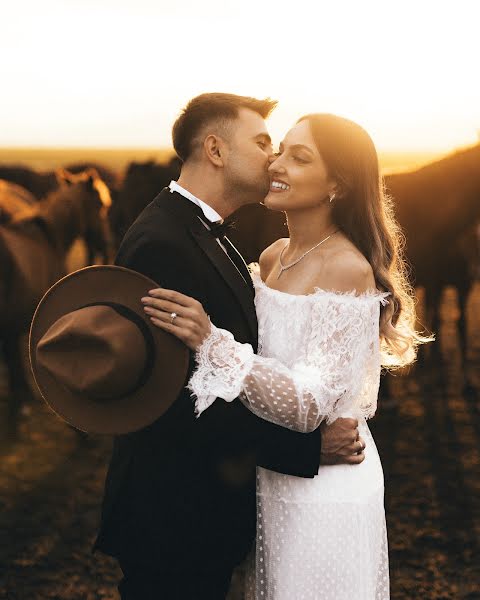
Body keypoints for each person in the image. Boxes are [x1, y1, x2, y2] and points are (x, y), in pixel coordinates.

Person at [142, 113, 429, 599]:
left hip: (324, 486)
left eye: (300, 158)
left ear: (337, 184)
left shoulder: (346, 267)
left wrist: (211, 341)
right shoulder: (273, 256)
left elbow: (307, 407)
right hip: (268, 479)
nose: (277, 164)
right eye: (280, 150)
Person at [94, 95, 364, 599]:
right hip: (173, 518)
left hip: (209, 509)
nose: (273, 158)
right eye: (263, 142)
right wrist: (305, 447)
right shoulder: (163, 242)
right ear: (215, 150)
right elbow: (176, 404)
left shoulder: (207, 232)